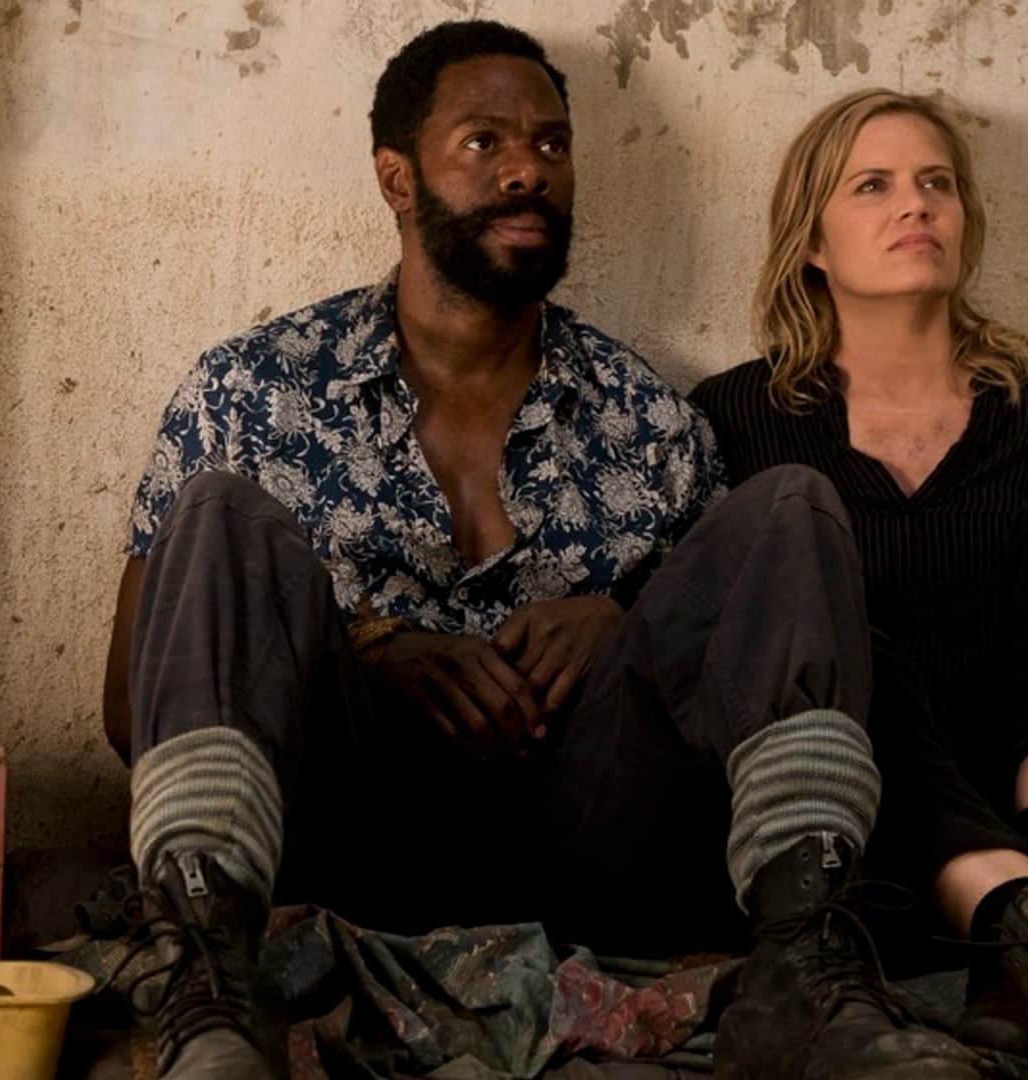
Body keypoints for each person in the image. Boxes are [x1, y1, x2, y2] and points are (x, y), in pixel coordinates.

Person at [104, 24, 982, 1080]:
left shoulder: (646, 417)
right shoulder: (252, 390)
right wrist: (369, 649)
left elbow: (721, 669)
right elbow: (131, 710)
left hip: (589, 854)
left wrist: (621, 620)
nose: (529, 170)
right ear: (396, 176)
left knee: (791, 506)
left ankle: (807, 965)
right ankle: (208, 979)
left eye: (552, 145)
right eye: (484, 142)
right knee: (221, 511)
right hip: (340, 832)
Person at [690, 89, 1028, 1080]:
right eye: (874, 186)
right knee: (849, 638)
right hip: (866, 832)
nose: (917, 205)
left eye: (937, 183)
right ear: (811, 242)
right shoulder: (735, 417)